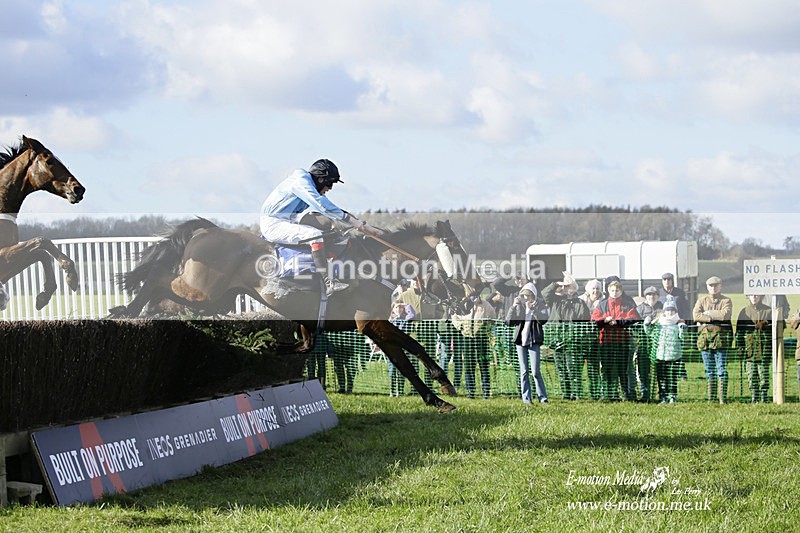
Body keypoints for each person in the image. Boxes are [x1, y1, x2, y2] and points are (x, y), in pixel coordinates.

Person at [259, 159, 382, 295]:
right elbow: (322, 205)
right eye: (330, 183)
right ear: (320, 179)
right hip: (273, 224)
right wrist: (356, 223)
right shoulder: (301, 182)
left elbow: (327, 208)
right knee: (314, 235)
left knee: (329, 232)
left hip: (286, 221)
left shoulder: (306, 182)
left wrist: (360, 224)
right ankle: (328, 282)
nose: (330, 188)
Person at [542, 271, 591, 400]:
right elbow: (544, 293)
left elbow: (584, 321)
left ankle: (577, 394)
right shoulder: (556, 301)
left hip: (573, 342)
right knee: (562, 370)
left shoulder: (580, 303)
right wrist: (557, 283)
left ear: (574, 289)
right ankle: (566, 394)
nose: (567, 289)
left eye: (570, 286)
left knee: (573, 369)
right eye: (566, 286)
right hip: (558, 341)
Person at [592, 279, 640, 401]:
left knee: (622, 369)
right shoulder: (602, 304)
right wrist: (605, 320)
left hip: (622, 341)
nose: (614, 292)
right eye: (612, 290)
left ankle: (626, 394)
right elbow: (594, 319)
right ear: (608, 291)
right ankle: (608, 394)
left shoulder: (627, 303)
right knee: (607, 368)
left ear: (621, 291)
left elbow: (633, 318)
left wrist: (618, 322)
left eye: (617, 290)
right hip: (606, 341)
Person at [506, 283, 549, 404]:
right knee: (524, 371)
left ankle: (543, 398)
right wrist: (513, 307)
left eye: (528, 296)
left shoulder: (540, 305)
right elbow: (509, 322)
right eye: (524, 295)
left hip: (534, 341)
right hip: (520, 342)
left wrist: (533, 310)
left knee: (535, 372)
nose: (526, 298)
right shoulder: (520, 306)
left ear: (533, 295)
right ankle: (526, 399)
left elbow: (543, 320)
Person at [693, 276, 733, 404]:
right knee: (709, 370)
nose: (713, 288)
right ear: (707, 287)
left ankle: (722, 398)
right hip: (704, 340)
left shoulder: (726, 300)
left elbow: (725, 315)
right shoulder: (701, 300)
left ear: (720, 286)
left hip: (721, 340)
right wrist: (713, 317)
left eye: (716, 285)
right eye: (711, 286)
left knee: (721, 369)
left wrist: (708, 313)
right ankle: (711, 397)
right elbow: (695, 315)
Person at [648, 296, 685, 404]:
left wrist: (682, 329)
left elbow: (683, 337)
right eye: (668, 310)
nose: (670, 312)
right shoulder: (659, 323)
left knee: (672, 376)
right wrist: (648, 323)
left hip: (674, 355)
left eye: (672, 310)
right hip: (660, 354)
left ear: (675, 311)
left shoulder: (678, 323)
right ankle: (662, 396)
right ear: (664, 311)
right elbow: (649, 332)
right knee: (661, 377)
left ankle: (672, 395)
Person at [736, 294, 771, 403]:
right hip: (749, 349)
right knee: (751, 374)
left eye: (757, 295)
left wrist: (766, 323)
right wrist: (740, 348)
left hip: (764, 348)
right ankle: (754, 396)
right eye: (752, 295)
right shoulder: (744, 312)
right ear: (748, 296)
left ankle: (764, 396)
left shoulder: (769, 311)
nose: (754, 297)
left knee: (763, 374)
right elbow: (739, 332)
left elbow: (780, 325)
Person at [635, 286, 662, 402]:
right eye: (649, 295)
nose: (652, 297)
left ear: (658, 296)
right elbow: (636, 324)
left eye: (654, 295)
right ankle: (645, 393)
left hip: (660, 344)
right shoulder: (639, 309)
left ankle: (662, 394)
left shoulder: (663, 308)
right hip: (644, 343)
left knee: (660, 370)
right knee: (643, 369)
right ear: (646, 297)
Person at [578, 279, 603, 399]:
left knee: (594, 367)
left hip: (596, 338)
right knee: (578, 367)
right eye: (593, 288)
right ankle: (578, 393)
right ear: (588, 290)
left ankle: (595, 393)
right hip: (582, 338)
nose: (595, 291)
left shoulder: (603, 301)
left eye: (597, 288)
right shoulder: (581, 300)